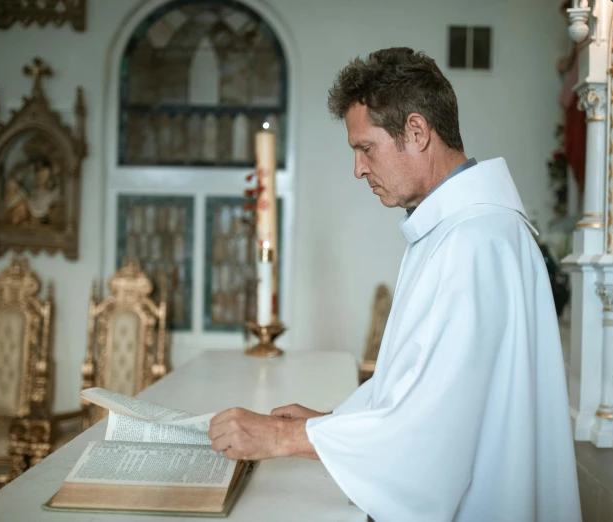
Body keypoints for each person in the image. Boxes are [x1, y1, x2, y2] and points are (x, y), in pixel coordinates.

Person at [208, 47, 582, 522]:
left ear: (418, 132)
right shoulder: (458, 229)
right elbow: (423, 387)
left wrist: (281, 438)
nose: (359, 169)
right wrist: (330, 424)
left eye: (366, 148)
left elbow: (432, 435)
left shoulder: (474, 241)